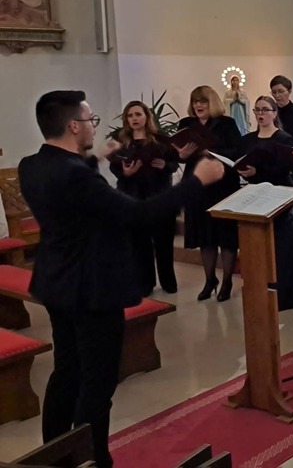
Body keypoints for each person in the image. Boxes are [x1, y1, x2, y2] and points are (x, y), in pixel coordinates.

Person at [19, 90, 224, 468]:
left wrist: (95, 158)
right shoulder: (77, 177)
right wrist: (196, 180)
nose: (94, 127)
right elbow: (141, 214)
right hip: (93, 289)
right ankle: (94, 459)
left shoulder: (31, 166)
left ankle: (55, 456)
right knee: (97, 385)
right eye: (91, 120)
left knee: (66, 372)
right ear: (73, 126)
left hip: (57, 282)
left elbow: (71, 185)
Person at [176, 85, 244, 302]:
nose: (198, 105)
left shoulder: (226, 123)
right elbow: (177, 154)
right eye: (195, 101)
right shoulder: (186, 125)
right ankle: (209, 280)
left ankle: (227, 281)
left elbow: (237, 151)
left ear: (212, 102)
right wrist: (182, 155)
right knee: (204, 236)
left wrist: (212, 152)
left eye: (203, 101)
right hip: (198, 185)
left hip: (222, 184)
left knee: (225, 235)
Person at [108, 100, 180, 296]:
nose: (134, 119)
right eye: (130, 115)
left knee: (164, 242)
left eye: (138, 114)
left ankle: (168, 282)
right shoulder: (121, 141)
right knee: (140, 244)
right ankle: (145, 283)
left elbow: (174, 163)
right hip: (133, 197)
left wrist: (164, 166)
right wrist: (125, 173)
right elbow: (114, 166)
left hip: (159, 196)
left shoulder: (161, 140)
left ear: (147, 117)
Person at [237, 96, 293, 310]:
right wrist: (246, 172)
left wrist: (258, 171)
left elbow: (285, 168)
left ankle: (285, 295)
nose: (261, 114)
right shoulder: (248, 140)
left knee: (281, 246)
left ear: (274, 113)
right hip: (256, 196)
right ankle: (263, 292)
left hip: (279, 194)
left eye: (265, 109)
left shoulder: (284, 138)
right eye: (257, 110)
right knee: (259, 246)